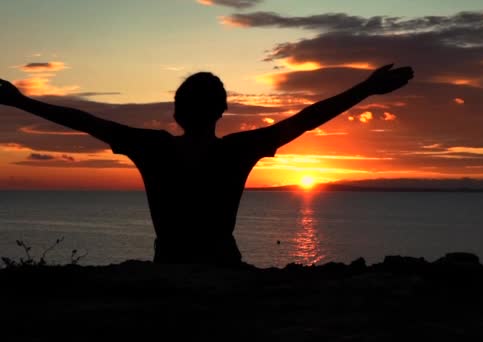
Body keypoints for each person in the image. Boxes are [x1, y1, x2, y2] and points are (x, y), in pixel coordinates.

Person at [0, 64, 414, 266]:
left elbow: (84, 120)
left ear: (176, 113)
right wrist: (366, 88)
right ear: (222, 111)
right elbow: (306, 118)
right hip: (222, 265)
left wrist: (20, 100)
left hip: (171, 266)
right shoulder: (237, 150)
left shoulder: (152, 147)